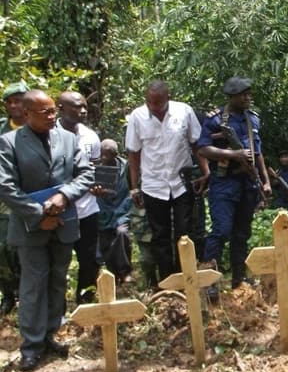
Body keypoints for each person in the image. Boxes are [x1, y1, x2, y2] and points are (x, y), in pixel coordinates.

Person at [0, 90, 95, 372]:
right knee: (32, 285)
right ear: (28, 114)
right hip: (31, 228)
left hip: (64, 222)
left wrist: (64, 197)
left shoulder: (67, 138)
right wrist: (40, 214)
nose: (53, 117)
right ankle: (31, 345)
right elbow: (6, 187)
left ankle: (52, 333)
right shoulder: (9, 143)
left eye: (54, 110)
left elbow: (85, 174)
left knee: (57, 279)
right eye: (46, 113)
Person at [125, 80, 209, 290]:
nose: (153, 107)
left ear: (167, 99)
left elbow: (196, 143)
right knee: (160, 235)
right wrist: (134, 186)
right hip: (153, 185)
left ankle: (185, 280)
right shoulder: (137, 117)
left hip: (181, 182)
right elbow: (133, 154)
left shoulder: (184, 112)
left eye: (157, 103)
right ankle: (167, 284)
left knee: (184, 233)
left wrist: (206, 171)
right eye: (149, 102)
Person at [198, 76, 271, 296]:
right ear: (232, 97)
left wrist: (265, 181)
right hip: (224, 182)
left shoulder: (253, 120)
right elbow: (203, 149)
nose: (248, 98)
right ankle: (210, 281)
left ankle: (239, 278)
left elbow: (258, 154)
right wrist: (232, 154)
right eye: (243, 95)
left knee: (242, 233)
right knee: (221, 230)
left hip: (247, 183)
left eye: (249, 94)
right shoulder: (215, 119)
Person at [57, 91, 103, 303]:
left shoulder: (90, 137)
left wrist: (98, 186)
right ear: (60, 108)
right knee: (58, 262)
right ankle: (57, 309)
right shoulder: (48, 134)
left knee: (90, 260)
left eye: (85, 106)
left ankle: (85, 303)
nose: (83, 111)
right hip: (59, 211)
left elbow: (96, 169)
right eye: (76, 107)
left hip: (87, 210)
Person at [0, 81, 27, 315]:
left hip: (32, 195)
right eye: (11, 101)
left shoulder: (39, 126)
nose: (15, 105)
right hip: (5, 196)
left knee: (26, 248)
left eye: (19, 100)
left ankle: (26, 293)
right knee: (3, 248)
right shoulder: (1, 129)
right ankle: (8, 293)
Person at [96, 139, 133, 283]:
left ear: (115, 154)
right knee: (105, 241)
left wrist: (126, 205)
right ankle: (112, 274)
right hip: (103, 211)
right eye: (102, 155)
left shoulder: (127, 167)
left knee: (121, 234)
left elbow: (133, 188)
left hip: (122, 209)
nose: (104, 158)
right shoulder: (97, 169)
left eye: (107, 155)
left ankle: (125, 271)